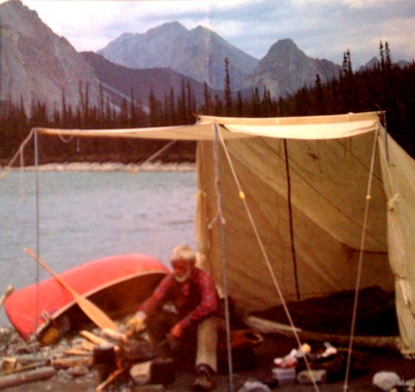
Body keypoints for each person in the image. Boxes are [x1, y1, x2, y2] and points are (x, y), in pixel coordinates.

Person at [126, 244, 219, 391]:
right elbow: (156, 298)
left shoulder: (204, 279)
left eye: (181, 268)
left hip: (209, 325)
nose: (177, 271)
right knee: (154, 317)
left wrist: (182, 325)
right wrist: (140, 315)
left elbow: (209, 306)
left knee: (207, 323)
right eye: (174, 267)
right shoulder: (171, 279)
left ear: (192, 265)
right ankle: (165, 359)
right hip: (186, 324)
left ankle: (204, 371)